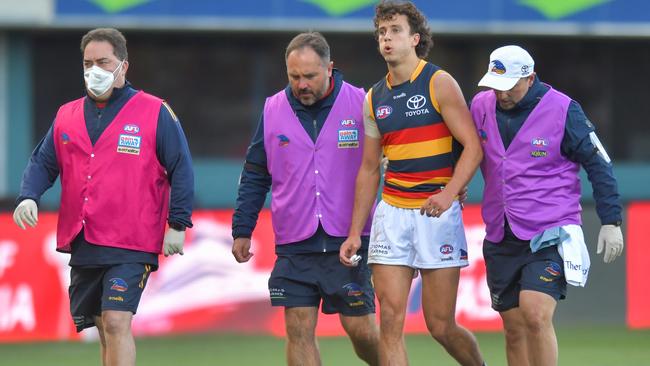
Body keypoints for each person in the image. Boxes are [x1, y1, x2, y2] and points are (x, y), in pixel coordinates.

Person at [12, 28, 194, 366]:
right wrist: (29, 196)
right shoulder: (66, 115)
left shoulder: (155, 111)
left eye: (103, 62)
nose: (94, 69)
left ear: (123, 66)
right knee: (101, 324)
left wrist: (178, 223)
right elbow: (42, 161)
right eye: (87, 63)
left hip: (132, 240)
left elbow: (181, 167)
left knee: (115, 320)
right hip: (84, 237)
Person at [339, 2, 486, 365]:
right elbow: (370, 169)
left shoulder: (439, 82)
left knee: (440, 325)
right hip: (392, 215)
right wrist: (356, 231)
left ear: (415, 39)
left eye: (395, 31)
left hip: (437, 215)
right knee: (390, 322)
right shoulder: (374, 98)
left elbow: (473, 147)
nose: (386, 39)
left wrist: (448, 194)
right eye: (381, 33)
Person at [470, 45, 624, 366]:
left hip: (549, 231)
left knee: (536, 314)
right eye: (496, 86)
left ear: (530, 78)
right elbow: (463, 149)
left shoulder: (564, 110)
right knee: (513, 329)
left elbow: (598, 163)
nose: (501, 94)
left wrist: (611, 221)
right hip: (500, 232)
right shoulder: (481, 106)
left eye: (509, 86)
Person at [231, 32, 379, 366]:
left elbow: (389, 161)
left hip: (350, 238)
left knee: (361, 330)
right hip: (295, 242)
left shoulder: (362, 103)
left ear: (330, 68)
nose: (302, 84)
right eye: (294, 76)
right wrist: (242, 228)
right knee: (298, 329)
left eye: (310, 76)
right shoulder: (272, 109)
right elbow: (255, 173)